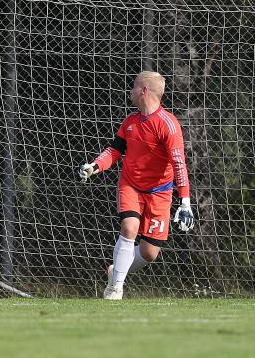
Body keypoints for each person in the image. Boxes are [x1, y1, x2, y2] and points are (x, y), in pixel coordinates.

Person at [79, 71, 195, 300]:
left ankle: (115, 271)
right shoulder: (130, 122)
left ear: (144, 91)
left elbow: (179, 164)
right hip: (130, 186)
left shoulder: (168, 125)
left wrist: (185, 203)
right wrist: (96, 165)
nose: (130, 91)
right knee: (129, 227)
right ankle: (115, 289)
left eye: (134, 87)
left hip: (159, 194)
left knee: (149, 253)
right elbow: (114, 150)